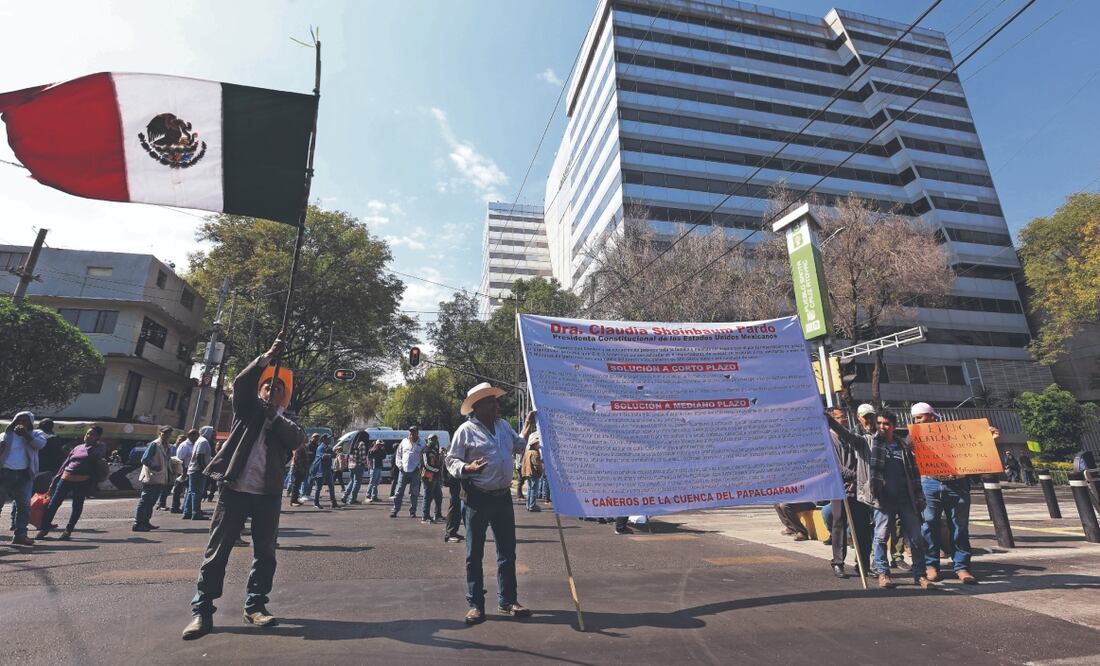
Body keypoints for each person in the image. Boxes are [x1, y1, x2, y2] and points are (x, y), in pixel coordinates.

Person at [183, 334, 305, 640]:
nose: (271, 390)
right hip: (233, 491)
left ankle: (255, 606)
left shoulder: (286, 424)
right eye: (267, 386)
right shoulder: (246, 411)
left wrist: (274, 418)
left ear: (283, 399)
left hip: (268, 496)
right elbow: (240, 383)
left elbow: (296, 440)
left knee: (265, 553)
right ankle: (202, 610)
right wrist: (267, 356)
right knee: (217, 553)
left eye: (278, 389)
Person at [445, 383, 537, 625]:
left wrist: (527, 426)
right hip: (477, 498)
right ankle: (476, 604)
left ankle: (508, 601)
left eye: (495, 401)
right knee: (474, 554)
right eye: (491, 401)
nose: (496, 405)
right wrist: (467, 468)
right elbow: (451, 460)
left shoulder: (503, 426)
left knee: (507, 551)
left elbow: (518, 446)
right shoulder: (465, 430)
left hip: (502, 497)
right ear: (477, 407)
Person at [828, 410, 932, 590]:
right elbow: (845, 434)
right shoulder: (866, 443)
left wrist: (918, 495)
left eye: (886, 424)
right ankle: (883, 573)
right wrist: (828, 419)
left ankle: (920, 575)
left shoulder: (903, 446)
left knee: (916, 538)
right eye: (879, 423)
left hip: (906, 499)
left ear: (893, 426)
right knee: (881, 537)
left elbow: (914, 471)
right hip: (882, 500)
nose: (882, 427)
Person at [911, 402, 998, 585]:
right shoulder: (914, 436)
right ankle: (931, 565)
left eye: (919, 417)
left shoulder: (953, 432)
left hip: (957, 484)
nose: (916, 421)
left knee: (959, 527)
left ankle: (962, 567)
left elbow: (971, 451)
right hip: (930, 483)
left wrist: (987, 439)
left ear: (931, 416)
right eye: (915, 418)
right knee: (929, 525)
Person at [36, 425, 107, 541]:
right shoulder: (78, 447)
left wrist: (95, 445)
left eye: (92, 434)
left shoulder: (99, 448)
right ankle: (44, 529)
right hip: (66, 478)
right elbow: (65, 463)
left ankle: (68, 531)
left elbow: (98, 456)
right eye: (87, 433)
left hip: (82, 481)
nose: (88, 436)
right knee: (53, 504)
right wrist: (55, 480)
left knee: (77, 506)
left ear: (98, 437)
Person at [826, 407, 872, 579]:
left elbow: (862, 460)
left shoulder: (853, 439)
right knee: (839, 524)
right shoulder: (827, 441)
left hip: (858, 489)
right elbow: (835, 466)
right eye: (839, 417)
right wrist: (855, 477)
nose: (844, 420)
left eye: (845, 416)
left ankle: (863, 563)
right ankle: (838, 562)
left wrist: (858, 481)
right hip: (840, 488)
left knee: (862, 527)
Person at [0, 412, 47, 547]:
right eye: (19, 419)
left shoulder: (37, 434)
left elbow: (40, 445)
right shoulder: (5, 435)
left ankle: (20, 535)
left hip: (24, 475)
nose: (21, 422)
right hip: (4, 473)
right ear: (14, 421)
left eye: (25, 420)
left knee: (24, 506)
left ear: (30, 423)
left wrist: (26, 435)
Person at [133, 426, 174, 532]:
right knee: (145, 500)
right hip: (152, 475)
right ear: (160, 433)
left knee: (152, 500)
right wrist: (155, 466)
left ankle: (146, 521)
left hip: (160, 477)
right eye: (165, 433)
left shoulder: (167, 446)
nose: (167, 435)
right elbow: (145, 459)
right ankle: (138, 523)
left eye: (169, 433)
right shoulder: (155, 444)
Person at [390, 426, 424, 518]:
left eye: (413, 432)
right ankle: (395, 510)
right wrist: (399, 465)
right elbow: (398, 454)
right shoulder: (404, 441)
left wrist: (419, 467)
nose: (411, 434)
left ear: (417, 433)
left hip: (415, 471)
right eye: (410, 432)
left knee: (414, 493)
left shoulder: (422, 443)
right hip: (403, 470)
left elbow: (424, 458)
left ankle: (412, 511)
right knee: (399, 491)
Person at [184, 427, 214, 520]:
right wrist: (205, 469)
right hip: (198, 470)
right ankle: (195, 513)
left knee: (191, 492)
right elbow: (199, 456)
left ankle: (187, 512)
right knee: (197, 492)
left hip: (194, 469)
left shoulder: (200, 440)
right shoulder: (203, 441)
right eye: (212, 433)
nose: (214, 435)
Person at [442, 439, 464, 543]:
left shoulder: (454, 446)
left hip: (456, 479)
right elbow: (446, 465)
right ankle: (450, 533)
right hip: (454, 479)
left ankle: (453, 531)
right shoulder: (454, 448)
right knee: (454, 505)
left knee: (457, 506)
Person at [309, 434, 338, 510]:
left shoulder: (329, 447)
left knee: (331, 486)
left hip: (328, 469)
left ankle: (334, 503)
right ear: (324, 439)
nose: (329, 440)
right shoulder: (320, 447)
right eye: (328, 439)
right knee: (318, 488)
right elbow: (323, 456)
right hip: (320, 470)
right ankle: (316, 503)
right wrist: (330, 454)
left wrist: (333, 454)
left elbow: (334, 455)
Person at [421, 434, 444, 523]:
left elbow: (438, 462)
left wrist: (440, 454)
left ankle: (437, 514)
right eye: (432, 439)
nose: (434, 441)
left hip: (435, 476)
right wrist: (436, 470)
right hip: (427, 475)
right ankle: (425, 516)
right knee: (428, 496)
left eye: (435, 439)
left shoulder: (434, 450)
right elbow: (426, 464)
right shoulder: (425, 450)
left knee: (438, 496)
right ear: (428, 440)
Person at [342, 431, 369, 505]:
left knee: (352, 481)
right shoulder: (362, 444)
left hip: (351, 465)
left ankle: (345, 496)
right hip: (358, 465)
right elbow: (363, 457)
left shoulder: (353, 443)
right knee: (357, 482)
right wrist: (366, 464)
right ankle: (352, 499)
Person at [172, 432, 196, 514]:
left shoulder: (193, 445)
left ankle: (185, 507)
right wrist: (183, 472)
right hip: (183, 470)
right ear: (191, 436)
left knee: (188, 490)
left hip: (189, 470)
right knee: (178, 490)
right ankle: (174, 507)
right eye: (195, 435)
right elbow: (180, 459)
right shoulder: (184, 445)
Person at [522, 436, 544, 513]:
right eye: (537, 444)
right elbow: (537, 464)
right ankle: (532, 505)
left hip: (528, 473)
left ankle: (529, 505)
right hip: (534, 473)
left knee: (530, 489)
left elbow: (524, 463)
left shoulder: (527, 452)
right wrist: (541, 472)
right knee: (534, 490)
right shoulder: (535, 453)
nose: (538, 445)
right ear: (534, 444)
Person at [288, 439, 311, 507]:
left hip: (302, 468)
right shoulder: (299, 447)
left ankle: (295, 499)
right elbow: (297, 459)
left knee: (297, 485)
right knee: (296, 485)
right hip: (298, 469)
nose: (307, 439)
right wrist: (301, 469)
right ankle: (293, 501)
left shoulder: (303, 446)